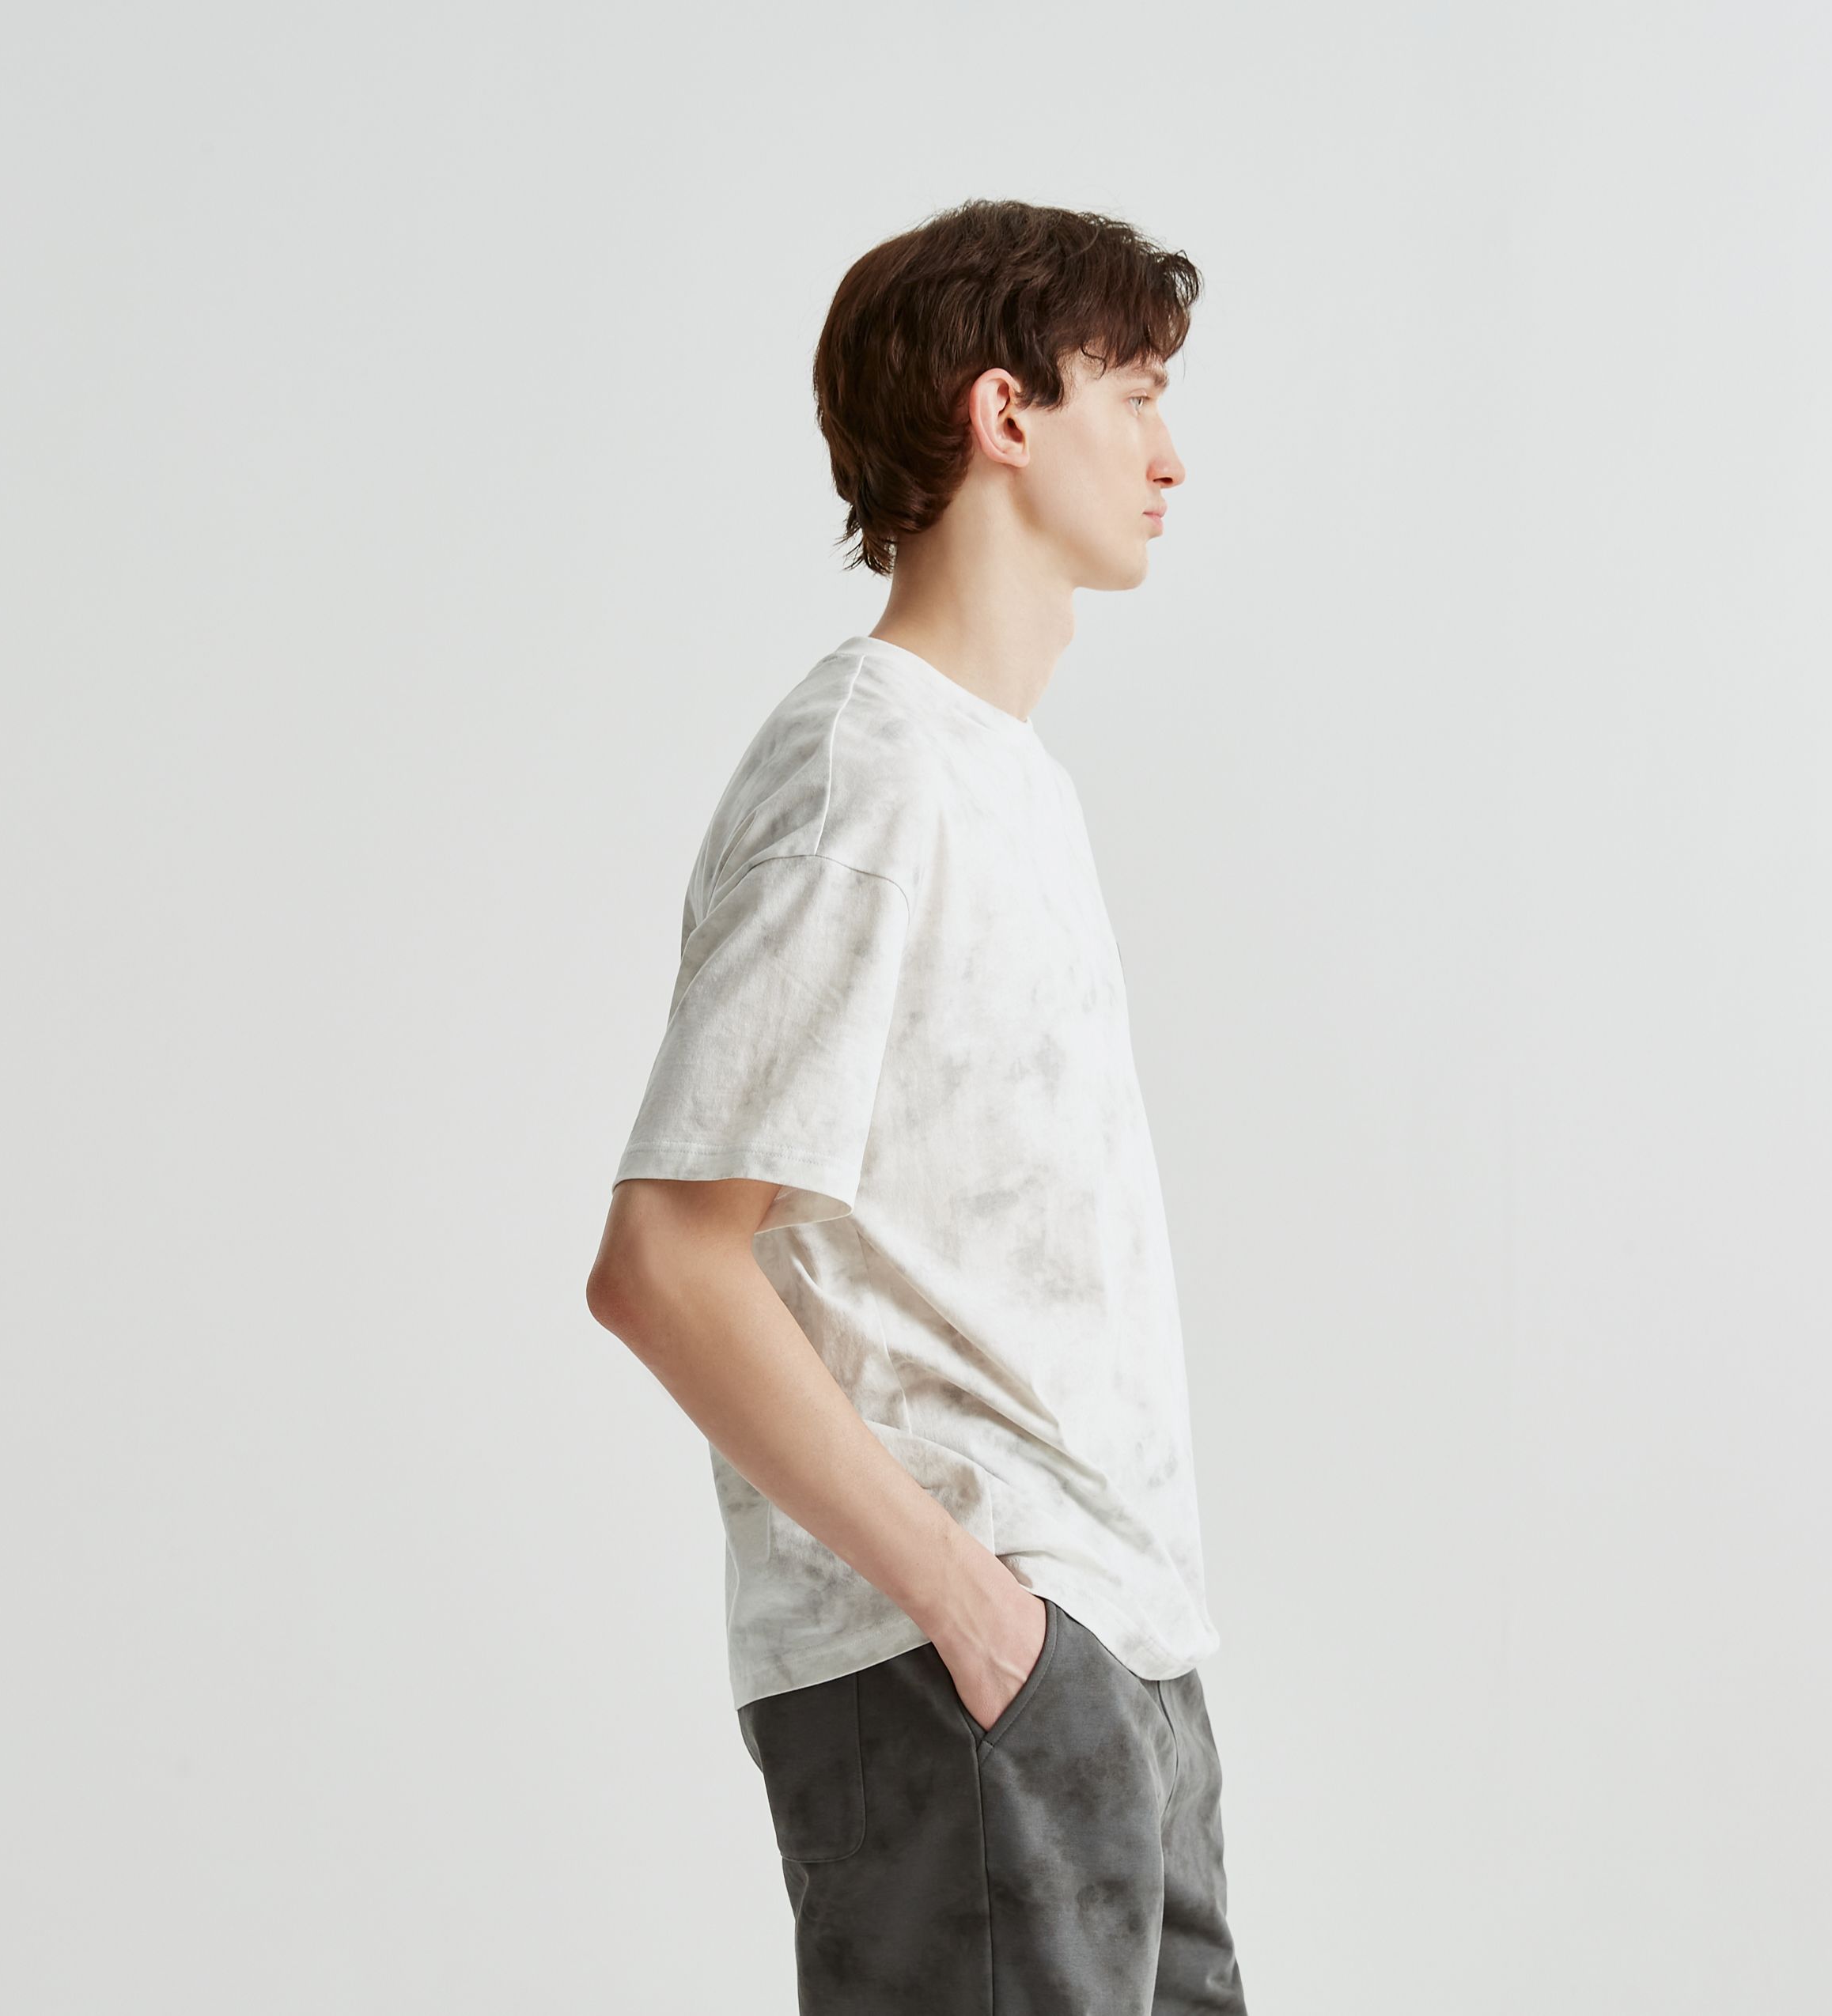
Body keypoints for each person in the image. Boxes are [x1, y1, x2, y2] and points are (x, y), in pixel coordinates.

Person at [585, 196, 1250, 2014]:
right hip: (969, 1668)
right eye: (1137, 394)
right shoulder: (866, 774)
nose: (1172, 457)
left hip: (1117, 1659)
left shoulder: (1006, 783)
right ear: (1004, 411)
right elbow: (664, 1261)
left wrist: (1081, 1653)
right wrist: (974, 1611)